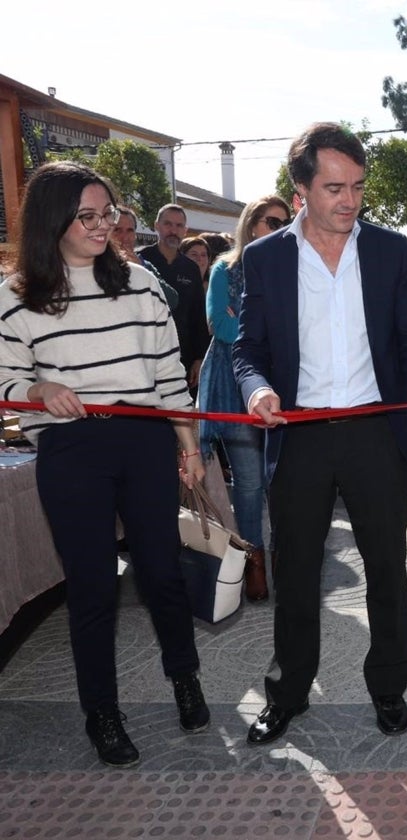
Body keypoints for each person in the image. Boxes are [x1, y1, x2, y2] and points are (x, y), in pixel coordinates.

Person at [233, 122, 407, 745]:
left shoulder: (387, 250)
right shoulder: (265, 257)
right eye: (334, 187)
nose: (349, 201)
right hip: (298, 434)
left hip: (374, 432)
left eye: (357, 187)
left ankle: (388, 687)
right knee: (296, 570)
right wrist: (258, 390)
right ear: (300, 188)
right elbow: (247, 350)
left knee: (386, 568)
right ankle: (290, 692)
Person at [0, 161, 208, 767]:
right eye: (86, 217)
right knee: (91, 588)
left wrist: (188, 446)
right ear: (52, 222)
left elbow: (170, 375)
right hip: (70, 450)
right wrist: (39, 392)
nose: (103, 227)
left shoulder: (141, 283)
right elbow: (9, 382)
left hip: (144, 440)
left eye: (108, 214)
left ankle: (185, 677)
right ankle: (103, 713)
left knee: (162, 572)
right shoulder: (16, 297)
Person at [198, 195, 291, 603]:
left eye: (286, 222)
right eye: (272, 221)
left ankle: (289, 563)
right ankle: (255, 564)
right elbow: (220, 323)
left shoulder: (294, 269)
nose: (279, 228)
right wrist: (264, 339)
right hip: (234, 387)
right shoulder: (225, 268)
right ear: (251, 224)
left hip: (284, 385)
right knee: (250, 483)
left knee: (287, 482)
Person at [138, 204, 208, 390]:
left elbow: (198, 315)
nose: (173, 230)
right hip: (146, 353)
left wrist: (199, 357)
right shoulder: (141, 260)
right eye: (168, 224)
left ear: (185, 231)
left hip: (183, 355)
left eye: (179, 226)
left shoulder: (191, 268)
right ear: (156, 226)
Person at [111, 205, 177, 311]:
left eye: (129, 230)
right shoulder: (93, 264)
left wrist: (142, 269)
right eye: (117, 230)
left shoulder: (145, 265)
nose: (124, 237)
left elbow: (172, 300)